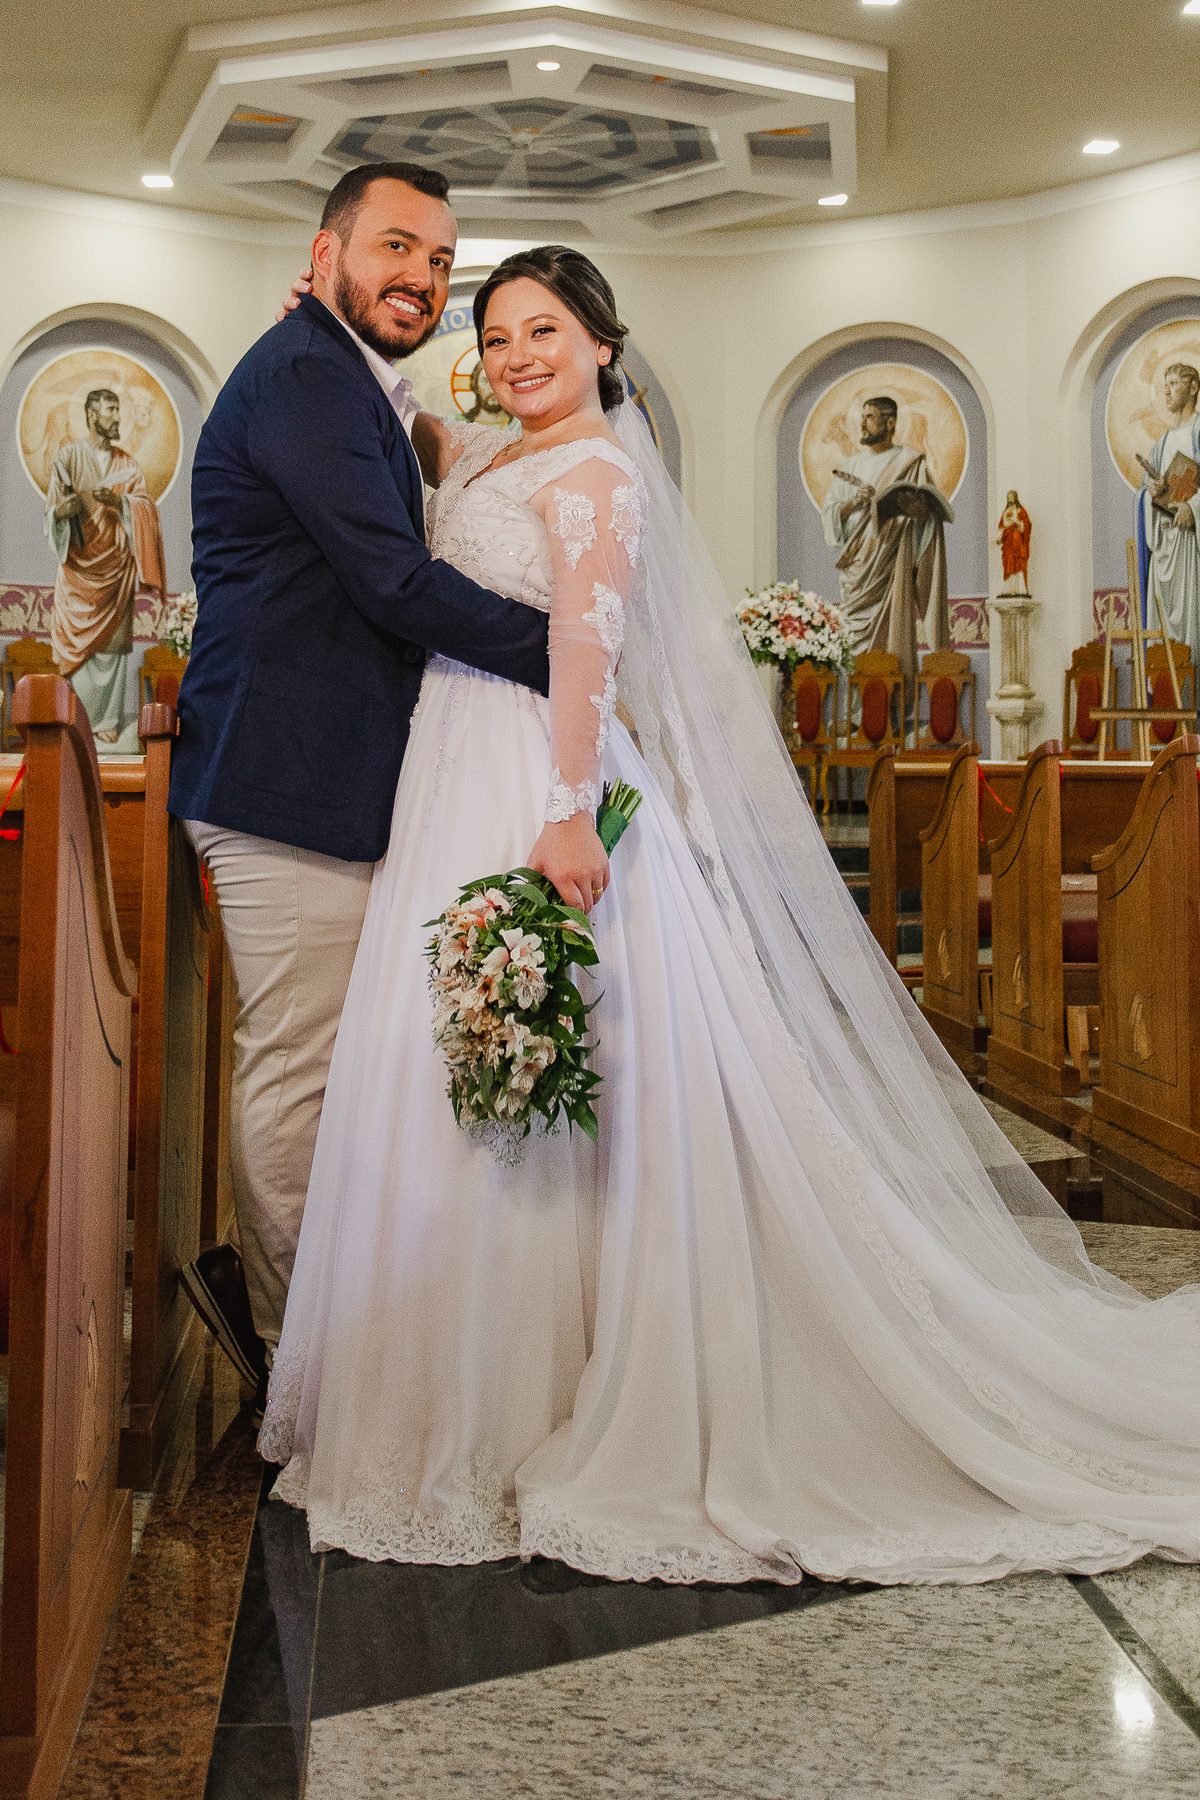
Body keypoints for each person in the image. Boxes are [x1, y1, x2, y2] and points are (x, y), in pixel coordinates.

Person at [259, 245, 1200, 1587]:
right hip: (446, 768)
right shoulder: (496, 454)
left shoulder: (599, 474)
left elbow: (585, 643)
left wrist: (568, 813)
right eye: (498, 336)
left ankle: (544, 1389)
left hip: (536, 775)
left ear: (601, 343)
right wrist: (341, 341)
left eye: (544, 330)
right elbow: (428, 429)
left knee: (571, 1067)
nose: (517, 356)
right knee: (444, 1064)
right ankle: (453, 1391)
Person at [169, 163, 551, 1414]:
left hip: (327, 773)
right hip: (283, 775)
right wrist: (573, 653)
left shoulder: (342, 377)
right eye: (396, 247)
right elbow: (391, 582)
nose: (422, 278)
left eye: (439, 261)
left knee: (334, 1068)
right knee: (301, 1073)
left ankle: (325, 1337)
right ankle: (296, 1368)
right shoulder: (304, 376)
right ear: (325, 251)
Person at [45, 387, 166, 750]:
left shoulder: (128, 465)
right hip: (77, 573)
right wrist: (63, 511)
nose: (117, 417)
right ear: (91, 415)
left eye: (117, 409)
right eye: (110, 410)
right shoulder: (68, 457)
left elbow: (146, 508)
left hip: (116, 573)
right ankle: (78, 723)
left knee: (112, 654)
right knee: (78, 658)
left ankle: (107, 726)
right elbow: (53, 511)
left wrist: (121, 503)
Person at [821, 397, 951, 678]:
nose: (863, 424)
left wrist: (919, 513)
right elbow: (830, 514)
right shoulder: (851, 466)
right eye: (862, 417)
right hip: (858, 570)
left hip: (893, 565)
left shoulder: (910, 462)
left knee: (893, 642)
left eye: (870, 417)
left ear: (890, 422)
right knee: (854, 650)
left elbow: (928, 521)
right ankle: (858, 703)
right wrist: (854, 503)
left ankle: (895, 704)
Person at [1139, 362, 1200, 667]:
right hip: (1164, 544)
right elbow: (1144, 494)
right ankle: (1165, 693)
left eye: (1174, 384)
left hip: (1191, 546)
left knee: (1191, 622)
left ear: (1193, 388)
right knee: (1163, 630)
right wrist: (1150, 490)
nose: (1167, 391)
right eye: (1165, 386)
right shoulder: (1161, 443)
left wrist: (1193, 508)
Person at [995, 490, 1032, 595]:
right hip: (1008, 542)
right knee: (1008, 563)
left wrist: (1017, 523)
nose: (1010, 499)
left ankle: (1019, 589)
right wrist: (999, 538)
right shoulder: (1005, 512)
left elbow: (1027, 525)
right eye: (1009, 497)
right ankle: (1008, 589)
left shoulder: (1020, 511)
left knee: (1017, 562)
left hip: (1017, 541)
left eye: (1012, 497)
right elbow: (1001, 527)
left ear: (1015, 498)